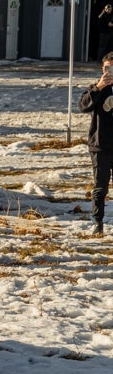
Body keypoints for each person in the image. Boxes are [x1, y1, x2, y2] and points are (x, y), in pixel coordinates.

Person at [78, 52, 113, 236]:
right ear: (102, 69)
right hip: (100, 145)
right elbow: (83, 105)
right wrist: (99, 87)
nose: (110, 71)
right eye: (107, 68)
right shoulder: (96, 89)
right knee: (100, 186)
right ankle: (97, 223)